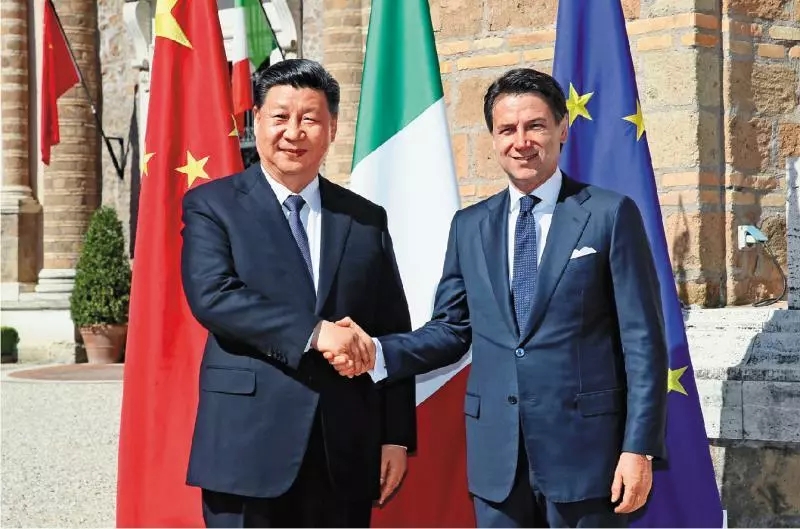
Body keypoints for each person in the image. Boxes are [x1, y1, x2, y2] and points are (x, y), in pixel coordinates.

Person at [323, 68, 668, 528]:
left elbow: (643, 342)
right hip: (497, 462)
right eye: (507, 129)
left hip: (589, 459)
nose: (521, 142)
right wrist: (376, 352)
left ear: (562, 129)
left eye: (535, 126)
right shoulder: (469, 226)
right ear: (492, 138)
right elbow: (452, 329)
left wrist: (638, 448)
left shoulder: (609, 214)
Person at [180, 58, 417, 528]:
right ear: (257, 121)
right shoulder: (213, 205)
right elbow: (213, 295)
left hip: (343, 449)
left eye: (309, 118)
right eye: (280, 117)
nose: (294, 132)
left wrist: (396, 436)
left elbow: (391, 329)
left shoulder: (364, 219)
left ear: (332, 129)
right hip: (247, 446)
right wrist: (315, 332)